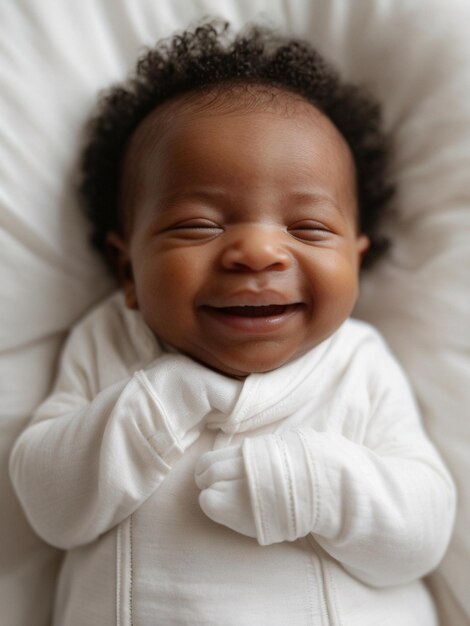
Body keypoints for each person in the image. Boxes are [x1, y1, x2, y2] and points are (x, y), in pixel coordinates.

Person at [10, 21, 455, 626]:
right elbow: (49, 507)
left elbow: (422, 531)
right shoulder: (108, 340)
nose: (257, 252)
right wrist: (156, 404)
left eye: (308, 228)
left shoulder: (357, 362)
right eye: (199, 225)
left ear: (355, 258)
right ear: (128, 271)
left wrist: (313, 487)